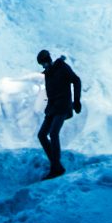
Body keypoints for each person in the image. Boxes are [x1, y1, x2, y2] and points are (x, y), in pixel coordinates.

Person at [36, 49, 81, 180]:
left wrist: (76, 101)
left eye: (44, 63)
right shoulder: (48, 73)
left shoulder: (62, 67)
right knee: (42, 135)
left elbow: (76, 80)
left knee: (53, 133)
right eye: (42, 64)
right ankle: (56, 165)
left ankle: (56, 168)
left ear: (48, 59)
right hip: (52, 108)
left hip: (63, 106)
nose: (43, 66)